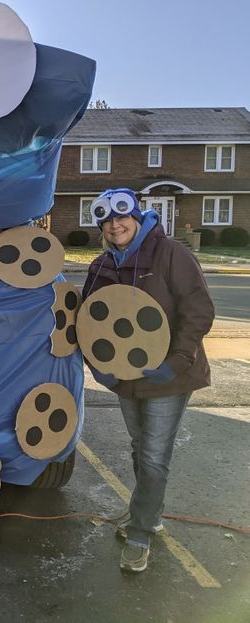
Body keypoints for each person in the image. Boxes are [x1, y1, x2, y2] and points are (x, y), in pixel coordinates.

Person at [82, 188, 214, 573]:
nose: (114, 225)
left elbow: (198, 309)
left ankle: (140, 534)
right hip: (127, 380)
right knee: (140, 448)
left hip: (169, 377)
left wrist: (177, 360)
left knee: (155, 455)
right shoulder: (101, 266)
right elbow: (88, 322)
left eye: (121, 218)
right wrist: (98, 368)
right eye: (106, 221)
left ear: (137, 217)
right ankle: (148, 512)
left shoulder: (171, 253)